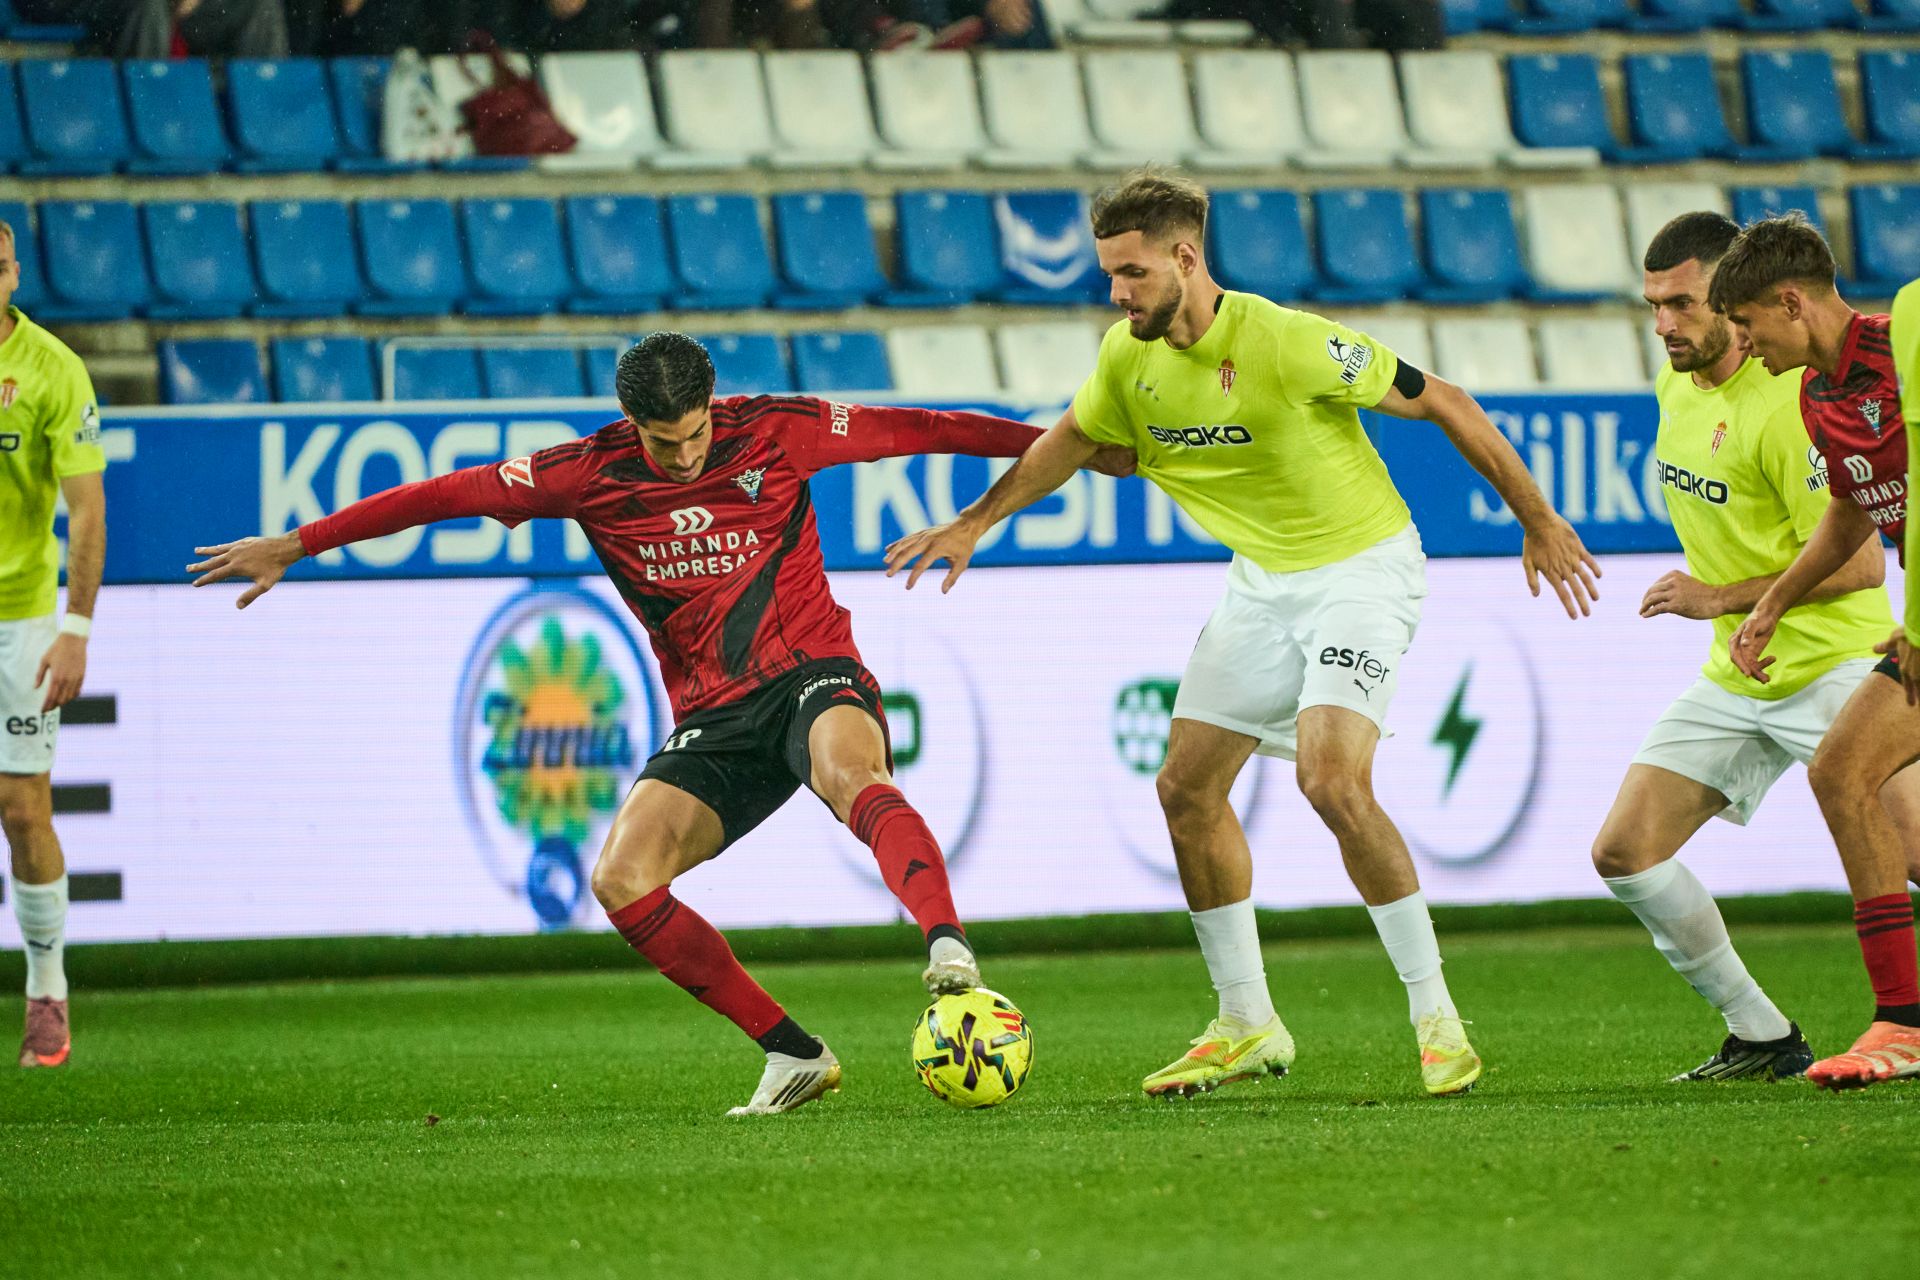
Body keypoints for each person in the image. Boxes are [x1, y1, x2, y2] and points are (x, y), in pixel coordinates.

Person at [188, 332, 1130, 1116]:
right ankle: (793, 1053)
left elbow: (924, 428)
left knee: (856, 777)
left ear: (713, 405)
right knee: (623, 878)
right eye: (660, 439)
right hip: (713, 717)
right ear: (630, 419)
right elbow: (443, 495)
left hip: (811, 670)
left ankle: (947, 946)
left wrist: (1070, 440)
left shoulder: (777, 431)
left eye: (691, 436)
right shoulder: (587, 473)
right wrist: (299, 543)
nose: (680, 455)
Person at [885, 170, 1598, 1099]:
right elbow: (1068, 437)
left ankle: (1437, 1020)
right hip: (1263, 586)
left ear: (1187, 258)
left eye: (1133, 274)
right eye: (1110, 275)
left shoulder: (1293, 344)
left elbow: (1447, 400)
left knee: (1330, 779)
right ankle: (1246, 1023)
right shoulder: (1124, 357)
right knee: (1184, 788)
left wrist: (1536, 518)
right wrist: (977, 520)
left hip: (1362, 569)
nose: (1118, 294)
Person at [1593, 212, 1913, 1083]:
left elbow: (1856, 564)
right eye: (1653, 305)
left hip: (1840, 665)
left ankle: (1903, 1022)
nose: (1668, 325)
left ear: (1752, 305)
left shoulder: (1792, 401)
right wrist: (1751, 616)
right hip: (1741, 673)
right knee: (1624, 849)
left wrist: (1723, 598)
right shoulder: (1681, 386)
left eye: (1685, 304)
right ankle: (1764, 1035)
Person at [1721, 216, 1920, 1091]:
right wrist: (1774, 601)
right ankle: (1904, 1021)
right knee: (1842, 773)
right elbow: (1854, 507)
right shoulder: (1817, 393)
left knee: (1842, 770)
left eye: (1749, 325)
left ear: (1790, 301)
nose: (1746, 345)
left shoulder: (1902, 354)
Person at [0, 219, 107, 1070]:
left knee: (22, 808)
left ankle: (47, 991)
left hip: (21, 618)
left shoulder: (50, 368)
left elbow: (87, 510)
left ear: (14, 271)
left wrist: (74, 628)